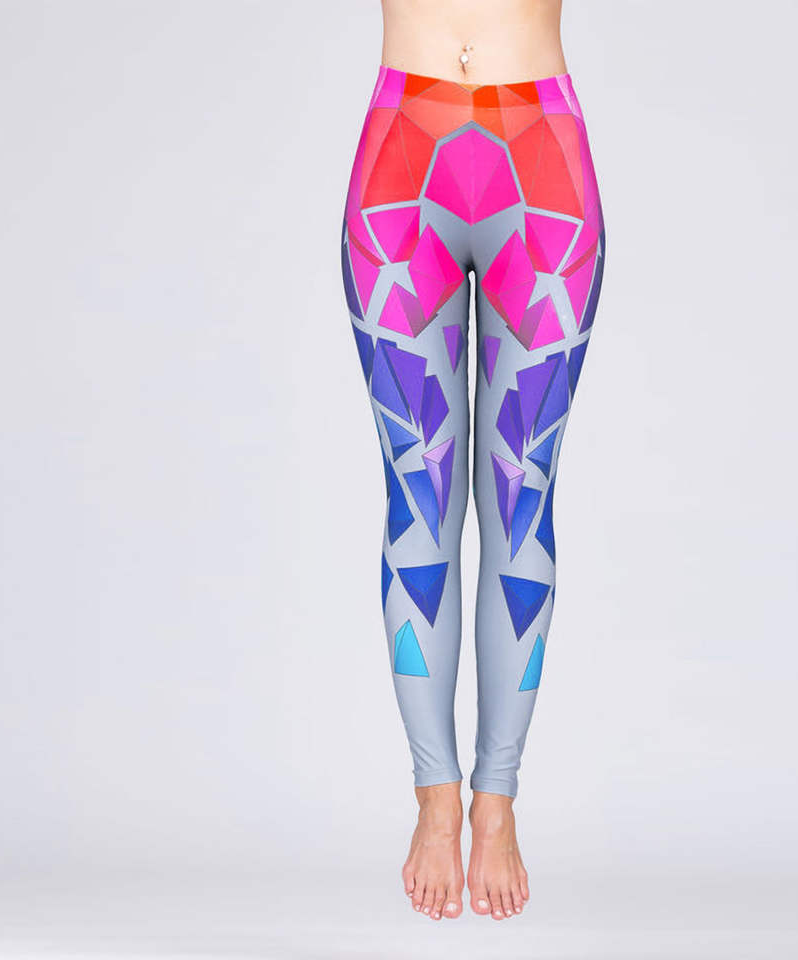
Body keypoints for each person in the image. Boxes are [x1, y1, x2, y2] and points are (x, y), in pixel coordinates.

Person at [339, 0, 606, 922]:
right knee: (418, 497)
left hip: (543, 162)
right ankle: (435, 795)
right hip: (401, 161)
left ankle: (496, 798)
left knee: (520, 501)